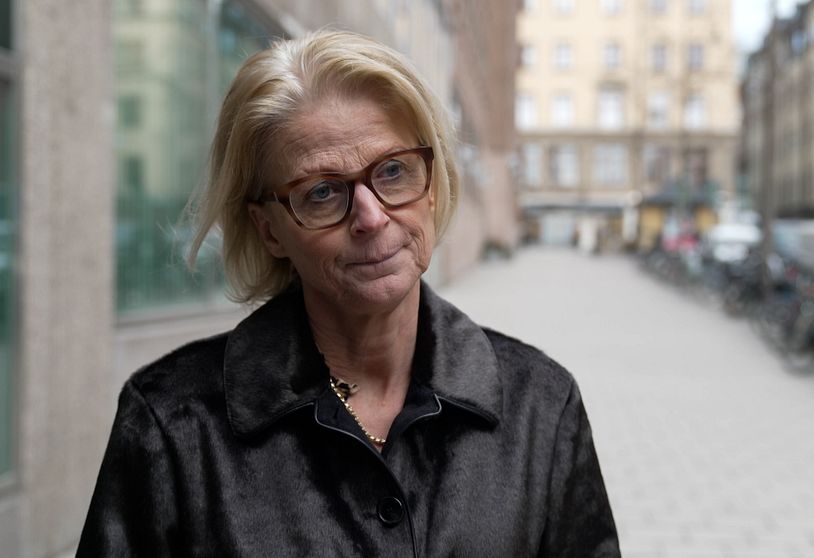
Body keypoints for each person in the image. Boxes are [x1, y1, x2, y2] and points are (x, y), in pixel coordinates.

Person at [78, 30, 619, 556]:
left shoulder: (541, 406)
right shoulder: (173, 425)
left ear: (432, 187)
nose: (371, 216)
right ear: (269, 230)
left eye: (394, 171)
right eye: (321, 192)